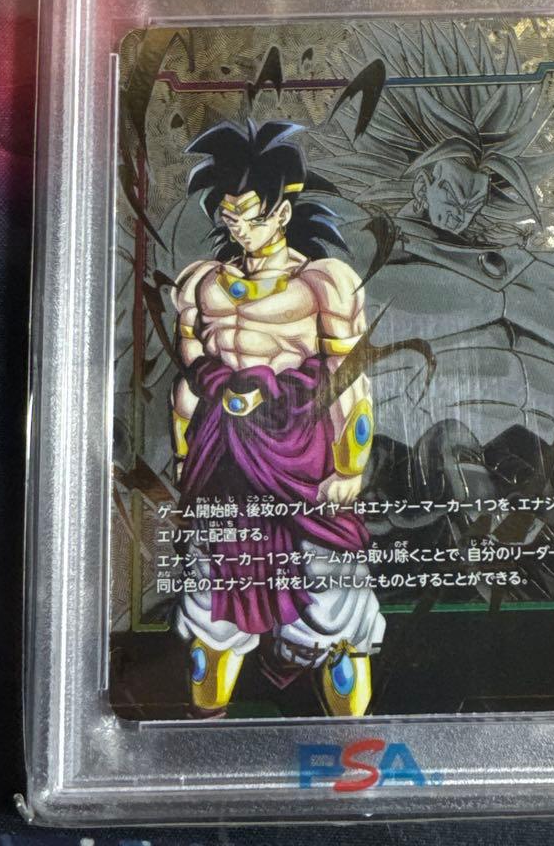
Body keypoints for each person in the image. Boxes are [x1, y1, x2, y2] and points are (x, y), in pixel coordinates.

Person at [170, 117, 383, 716]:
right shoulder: (201, 283)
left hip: (299, 450)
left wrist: (351, 464)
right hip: (221, 454)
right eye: (229, 216)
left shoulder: (321, 282)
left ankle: (352, 742)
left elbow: (349, 376)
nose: (239, 228)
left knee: (331, 604)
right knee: (213, 601)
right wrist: (185, 453)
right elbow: (189, 373)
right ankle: (200, 739)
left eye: (251, 215)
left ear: (282, 212)